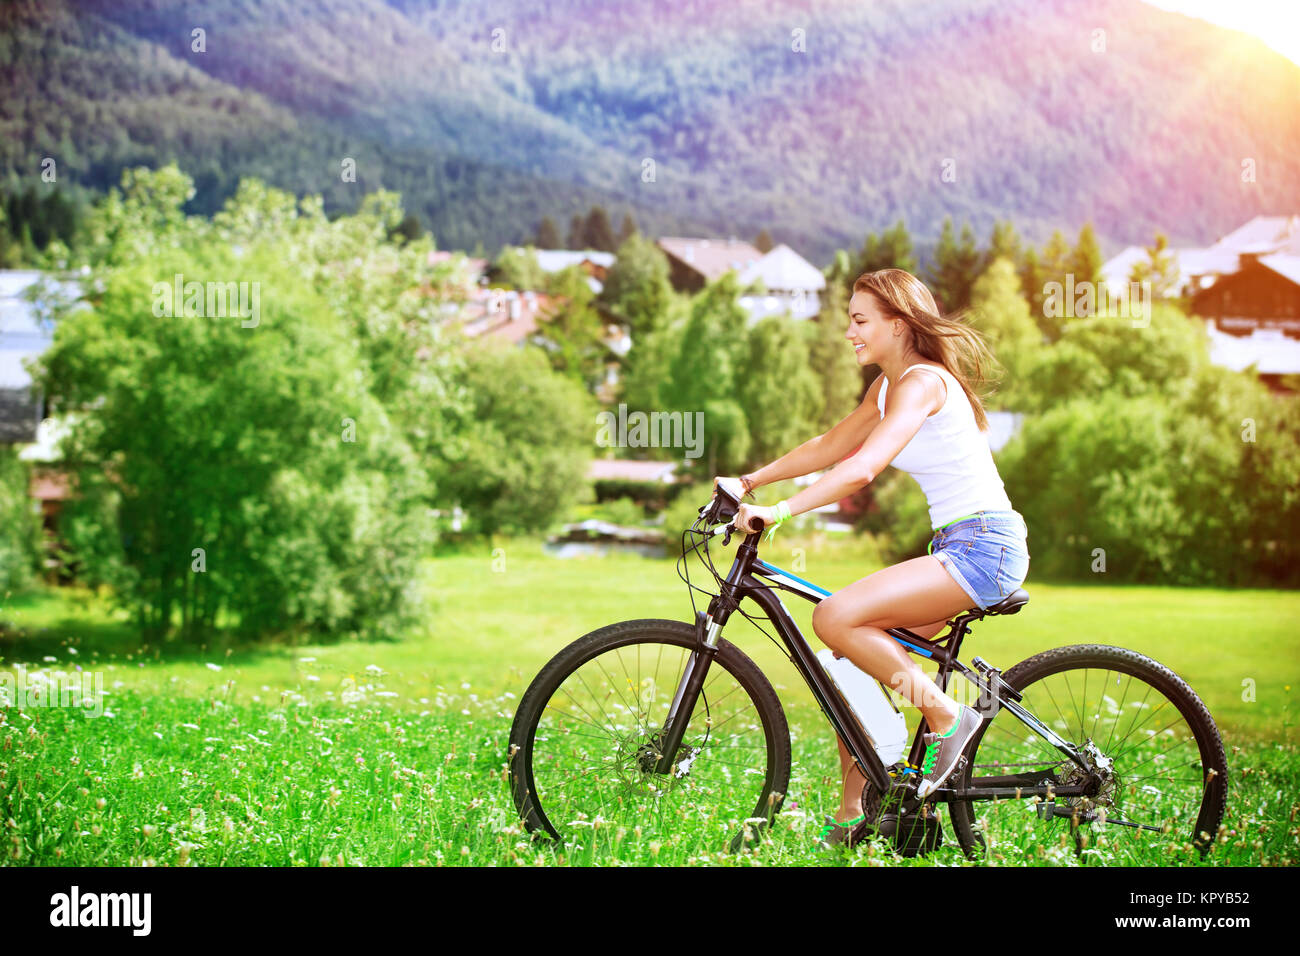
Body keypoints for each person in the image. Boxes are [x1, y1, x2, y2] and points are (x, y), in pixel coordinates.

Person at [714, 268, 1030, 848]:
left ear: (899, 323)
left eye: (860, 320)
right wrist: (749, 481)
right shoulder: (887, 387)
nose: (848, 331)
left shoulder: (922, 383)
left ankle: (945, 717)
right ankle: (856, 812)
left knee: (833, 616)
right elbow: (832, 445)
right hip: (960, 545)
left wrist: (780, 512)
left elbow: (862, 467)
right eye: (849, 319)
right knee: (850, 663)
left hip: (985, 547)